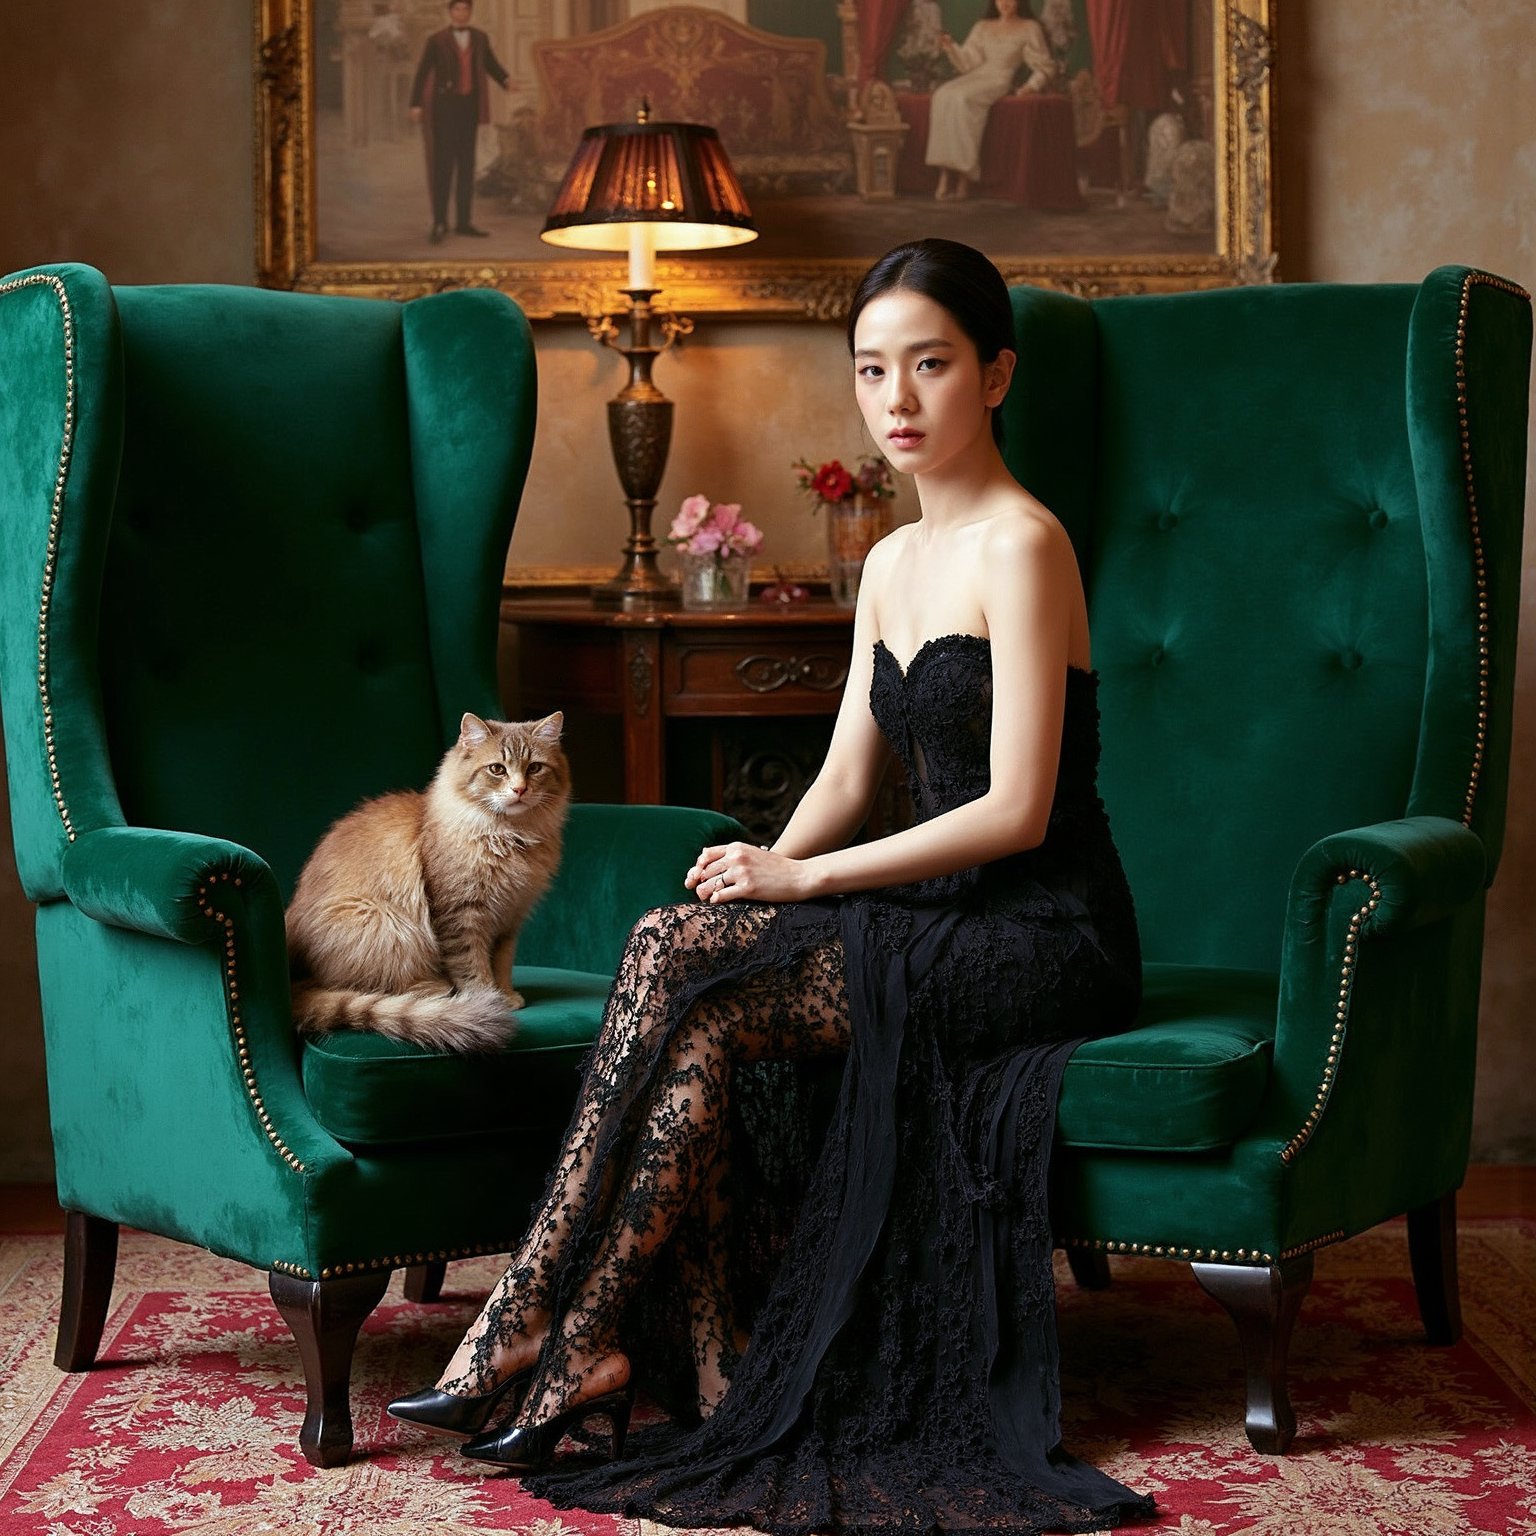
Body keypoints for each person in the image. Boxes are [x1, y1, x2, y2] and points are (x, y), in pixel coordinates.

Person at [388, 238, 1156, 1534]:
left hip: (1042, 926)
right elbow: (848, 776)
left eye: (931, 364)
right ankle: (645, 1342)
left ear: (997, 374)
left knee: (692, 964)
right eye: (872, 370)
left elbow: (1015, 814)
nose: (897, 398)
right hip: (929, 908)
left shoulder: (1027, 547)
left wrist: (797, 878)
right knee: (686, 962)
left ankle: (539, 1312)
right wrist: (750, 892)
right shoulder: (895, 565)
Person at [926, 0, 1061, 201]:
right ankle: (945, 174)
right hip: (976, 75)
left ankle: (964, 177)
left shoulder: (1029, 27)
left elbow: (1046, 66)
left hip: (999, 79)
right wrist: (950, 47)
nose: (1004, 3)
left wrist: (1031, 86)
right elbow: (968, 63)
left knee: (962, 99)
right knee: (942, 95)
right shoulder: (982, 26)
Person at [408, 0, 509, 243]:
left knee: (466, 167)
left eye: (466, 9)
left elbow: (490, 64)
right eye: (457, 9)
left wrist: (505, 80)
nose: (461, 13)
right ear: (450, 12)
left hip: (469, 109)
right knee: (443, 167)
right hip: (445, 109)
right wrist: (415, 104)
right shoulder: (437, 40)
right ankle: (439, 222)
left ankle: (464, 222)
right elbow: (422, 71)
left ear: (470, 13)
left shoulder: (480, 38)